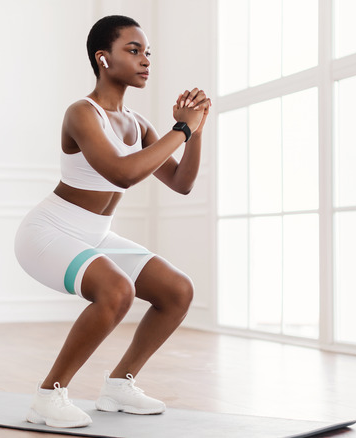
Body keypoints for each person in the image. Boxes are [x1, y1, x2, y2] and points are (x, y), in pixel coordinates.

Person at [14, 14, 211, 428]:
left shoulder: (138, 124)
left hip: (95, 235)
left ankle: (120, 386)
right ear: (103, 59)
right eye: (133, 51)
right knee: (117, 291)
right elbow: (122, 173)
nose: (145, 61)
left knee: (177, 291)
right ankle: (48, 396)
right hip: (49, 234)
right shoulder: (81, 113)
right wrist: (181, 128)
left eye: (147, 53)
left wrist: (195, 131)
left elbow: (181, 182)